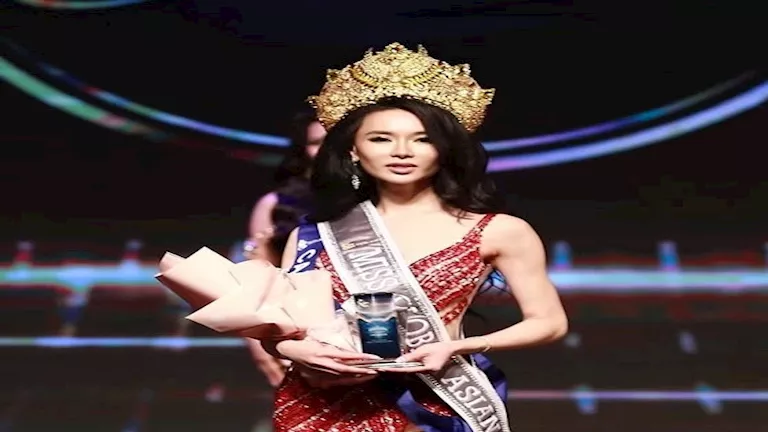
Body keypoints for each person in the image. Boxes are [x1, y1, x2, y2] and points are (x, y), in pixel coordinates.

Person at [264, 43, 568, 432]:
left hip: (432, 402)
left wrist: (457, 347)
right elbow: (280, 329)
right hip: (322, 406)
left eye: (422, 139)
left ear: (444, 149)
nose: (402, 151)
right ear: (353, 150)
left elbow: (549, 322)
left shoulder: (500, 230)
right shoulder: (314, 235)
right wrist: (294, 349)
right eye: (381, 139)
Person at [244, 110, 327, 388]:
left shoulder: (385, 200)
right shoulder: (276, 205)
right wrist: (259, 346)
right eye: (316, 142)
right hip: (298, 341)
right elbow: (257, 283)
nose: (327, 150)